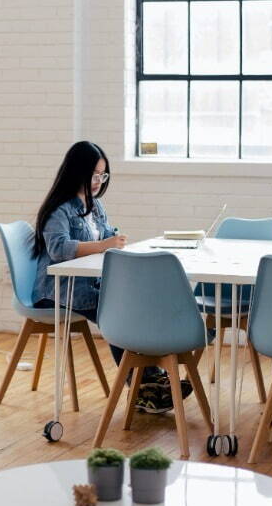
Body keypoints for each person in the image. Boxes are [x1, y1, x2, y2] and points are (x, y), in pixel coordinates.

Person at [32, 141, 191, 413]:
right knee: (119, 311)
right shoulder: (60, 209)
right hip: (57, 291)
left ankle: (150, 380)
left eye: (102, 175)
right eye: (94, 174)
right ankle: (143, 386)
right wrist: (105, 244)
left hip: (89, 284)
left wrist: (113, 240)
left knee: (134, 302)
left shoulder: (96, 206)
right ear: (76, 171)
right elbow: (59, 249)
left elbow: (105, 235)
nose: (98, 181)